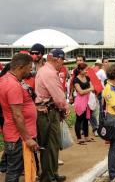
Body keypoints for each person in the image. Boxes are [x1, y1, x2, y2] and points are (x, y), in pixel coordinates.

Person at [0, 53, 39, 182]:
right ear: (21, 67)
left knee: (15, 170)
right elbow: (17, 115)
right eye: (29, 67)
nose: (30, 70)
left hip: (15, 134)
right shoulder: (13, 85)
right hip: (18, 137)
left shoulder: (7, 79)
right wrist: (27, 139)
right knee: (14, 172)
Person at [35, 49, 69, 182]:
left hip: (48, 111)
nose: (62, 64)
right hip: (47, 112)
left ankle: (52, 174)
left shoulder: (45, 70)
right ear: (57, 59)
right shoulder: (49, 73)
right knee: (49, 146)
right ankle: (48, 177)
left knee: (52, 145)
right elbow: (59, 97)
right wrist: (65, 108)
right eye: (62, 61)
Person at [73, 63, 95, 144]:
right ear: (80, 70)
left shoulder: (87, 77)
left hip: (88, 100)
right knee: (79, 119)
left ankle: (86, 136)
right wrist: (89, 89)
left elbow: (92, 88)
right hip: (80, 101)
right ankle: (79, 138)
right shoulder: (75, 79)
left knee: (86, 119)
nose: (86, 71)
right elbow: (80, 92)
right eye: (85, 69)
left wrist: (89, 89)